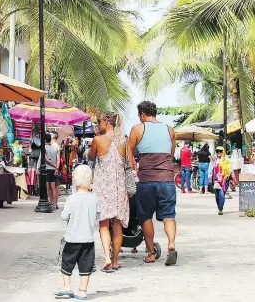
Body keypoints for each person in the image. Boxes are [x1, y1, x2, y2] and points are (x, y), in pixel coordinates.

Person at [127, 101, 177, 266]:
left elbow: (129, 156)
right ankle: (171, 244)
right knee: (169, 216)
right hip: (167, 180)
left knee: (146, 217)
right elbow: (170, 154)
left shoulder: (137, 129)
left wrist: (134, 170)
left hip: (147, 180)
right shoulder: (169, 129)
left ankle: (150, 253)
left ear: (142, 114)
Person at [87, 112, 128, 272]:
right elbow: (127, 162)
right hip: (119, 187)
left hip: (103, 186)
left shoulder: (98, 140)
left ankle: (106, 257)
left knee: (104, 223)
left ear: (106, 122)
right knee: (117, 224)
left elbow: (91, 157)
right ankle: (116, 260)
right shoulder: (123, 141)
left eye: (100, 122)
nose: (99, 125)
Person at [56, 164, 99, 300]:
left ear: (75, 180)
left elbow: (64, 215)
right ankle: (83, 291)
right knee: (86, 264)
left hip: (72, 238)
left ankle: (67, 286)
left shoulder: (71, 198)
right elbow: (98, 214)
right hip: (88, 238)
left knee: (67, 262)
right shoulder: (94, 198)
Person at [43, 133, 61, 209]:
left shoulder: (44, 148)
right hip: (54, 170)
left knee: (48, 188)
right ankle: (54, 204)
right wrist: (56, 168)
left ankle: (50, 202)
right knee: (54, 187)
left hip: (47, 169)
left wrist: (53, 166)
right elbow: (58, 159)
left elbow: (45, 159)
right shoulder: (55, 148)